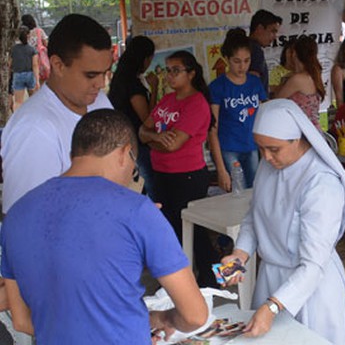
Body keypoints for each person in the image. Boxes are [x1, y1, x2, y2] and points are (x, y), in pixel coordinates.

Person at [0, 109, 208, 343]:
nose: (130, 177)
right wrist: (163, 318)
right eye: (134, 169)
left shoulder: (16, 215)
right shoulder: (137, 211)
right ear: (125, 153)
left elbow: (22, 321)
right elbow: (195, 315)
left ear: (73, 156)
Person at [221, 99, 345, 344]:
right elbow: (254, 216)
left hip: (311, 287)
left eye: (274, 149)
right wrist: (240, 255)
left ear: (298, 139)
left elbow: (313, 265)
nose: (266, 157)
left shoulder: (321, 182)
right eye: (261, 149)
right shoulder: (269, 166)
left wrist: (273, 306)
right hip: (270, 278)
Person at [1, 13, 113, 214]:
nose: (101, 84)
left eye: (105, 73)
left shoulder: (100, 102)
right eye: (91, 75)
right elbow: (23, 220)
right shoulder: (34, 130)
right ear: (58, 65)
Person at [139, 50, 219, 287]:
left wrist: (152, 139)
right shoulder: (167, 100)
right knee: (174, 230)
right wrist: (156, 138)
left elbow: (173, 145)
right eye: (167, 70)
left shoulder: (196, 104)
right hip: (162, 174)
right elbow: (142, 131)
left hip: (187, 176)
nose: (169, 76)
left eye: (176, 70)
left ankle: (213, 279)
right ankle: (192, 279)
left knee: (194, 232)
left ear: (191, 74)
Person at [208, 28, 268, 192]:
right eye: (237, 61)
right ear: (226, 59)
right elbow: (213, 129)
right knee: (235, 194)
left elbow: (263, 117)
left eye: (246, 61)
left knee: (255, 192)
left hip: (252, 147)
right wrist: (221, 170)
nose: (242, 66)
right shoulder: (217, 86)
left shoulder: (255, 83)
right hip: (228, 149)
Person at [108, 35, 158, 200]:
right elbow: (147, 120)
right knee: (150, 190)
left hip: (123, 140)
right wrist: (155, 88)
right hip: (137, 143)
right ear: (144, 59)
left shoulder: (120, 79)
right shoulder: (132, 84)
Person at [274, 35, 325, 129]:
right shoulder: (314, 75)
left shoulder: (297, 79)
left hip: (300, 131)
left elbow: (276, 102)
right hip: (312, 130)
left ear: (294, 54)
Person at [248, 9, 282, 94]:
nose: (275, 37)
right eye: (272, 31)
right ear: (259, 28)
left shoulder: (246, 46)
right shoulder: (255, 50)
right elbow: (253, 84)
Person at [10, 25, 39, 110]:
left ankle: (18, 119)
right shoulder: (32, 49)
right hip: (30, 74)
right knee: (33, 100)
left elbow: (9, 64)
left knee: (18, 102)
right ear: (28, 35)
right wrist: (37, 80)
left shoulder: (13, 49)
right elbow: (35, 65)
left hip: (18, 74)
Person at [21, 14, 49, 83]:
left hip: (27, 60)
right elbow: (46, 44)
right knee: (42, 81)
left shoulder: (22, 33)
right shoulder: (39, 31)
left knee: (32, 83)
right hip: (40, 59)